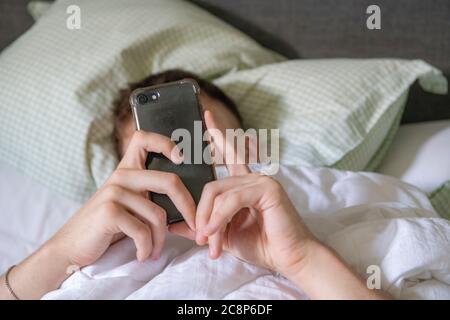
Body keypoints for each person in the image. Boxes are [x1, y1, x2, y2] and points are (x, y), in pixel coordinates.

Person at [0, 70, 389, 300]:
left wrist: (303, 259)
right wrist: (60, 251)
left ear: (249, 145)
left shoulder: (329, 191)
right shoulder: (94, 245)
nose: (186, 163)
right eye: (159, 158)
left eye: (204, 142)